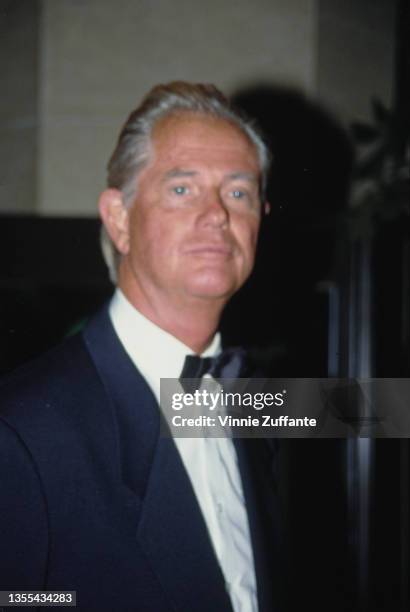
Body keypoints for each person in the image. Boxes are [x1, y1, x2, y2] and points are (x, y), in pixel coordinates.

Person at [0, 82, 282, 612]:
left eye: (239, 192)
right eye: (182, 189)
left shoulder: (258, 408)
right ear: (120, 219)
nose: (218, 214)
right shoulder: (20, 428)